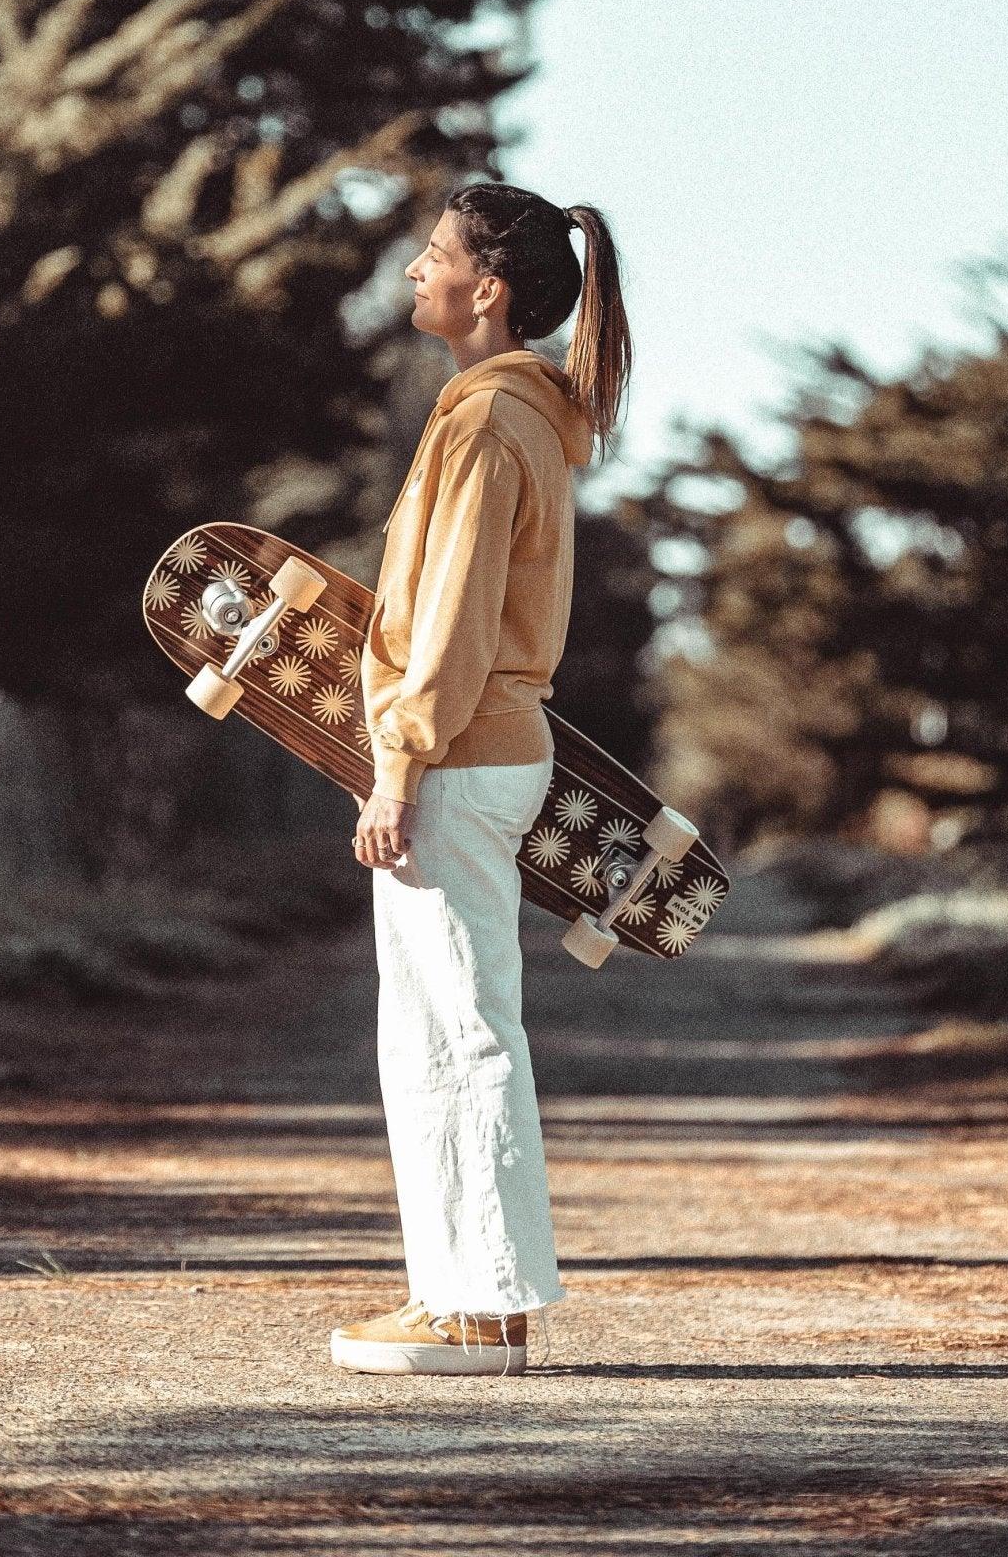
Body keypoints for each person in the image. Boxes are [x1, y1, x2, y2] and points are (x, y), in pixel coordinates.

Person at [330, 179, 633, 1377]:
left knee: (452, 1031)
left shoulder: (483, 422)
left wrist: (396, 765)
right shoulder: (522, 415)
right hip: (491, 746)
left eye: (434, 253)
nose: (415, 268)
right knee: (449, 1024)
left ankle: (480, 1308)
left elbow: (448, 623)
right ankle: (466, 1295)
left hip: (457, 754)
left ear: (487, 288)